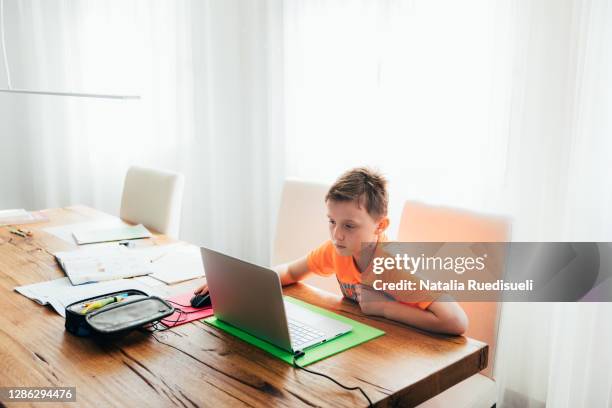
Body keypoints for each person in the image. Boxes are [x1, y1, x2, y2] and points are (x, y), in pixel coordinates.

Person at [195, 167, 468, 335]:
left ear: (380, 226)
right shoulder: (338, 250)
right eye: (332, 222)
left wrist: (385, 308)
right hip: (368, 343)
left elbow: (456, 321)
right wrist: (237, 284)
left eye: (349, 225)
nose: (337, 234)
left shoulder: (395, 264)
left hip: (411, 352)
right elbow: (291, 271)